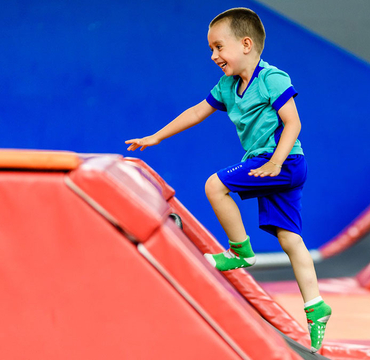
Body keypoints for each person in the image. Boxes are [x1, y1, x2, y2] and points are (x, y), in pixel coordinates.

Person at [124, 7, 331, 353]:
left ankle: (240, 252)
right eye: (211, 49)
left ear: (246, 44)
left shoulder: (272, 79)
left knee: (215, 185)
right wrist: (157, 137)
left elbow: (292, 123)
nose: (213, 56)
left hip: (283, 161)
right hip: (272, 165)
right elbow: (196, 112)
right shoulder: (227, 86)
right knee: (290, 237)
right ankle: (316, 308)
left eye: (219, 47)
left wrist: (276, 162)